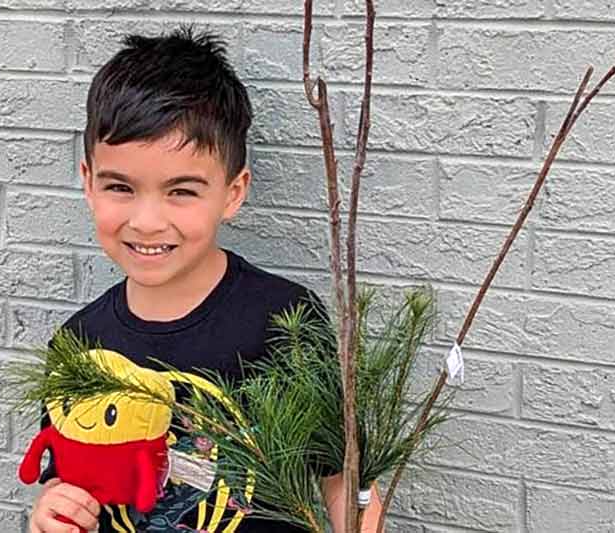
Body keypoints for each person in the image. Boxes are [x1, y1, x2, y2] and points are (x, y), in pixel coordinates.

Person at [28, 27, 382, 533]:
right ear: (88, 181)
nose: (147, 221)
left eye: (182, 191)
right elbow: (63, 484)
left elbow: (343, 481)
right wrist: (51, 514)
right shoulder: (77, 345)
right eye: (120, 187)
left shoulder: (285, 321)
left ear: (233, 192)